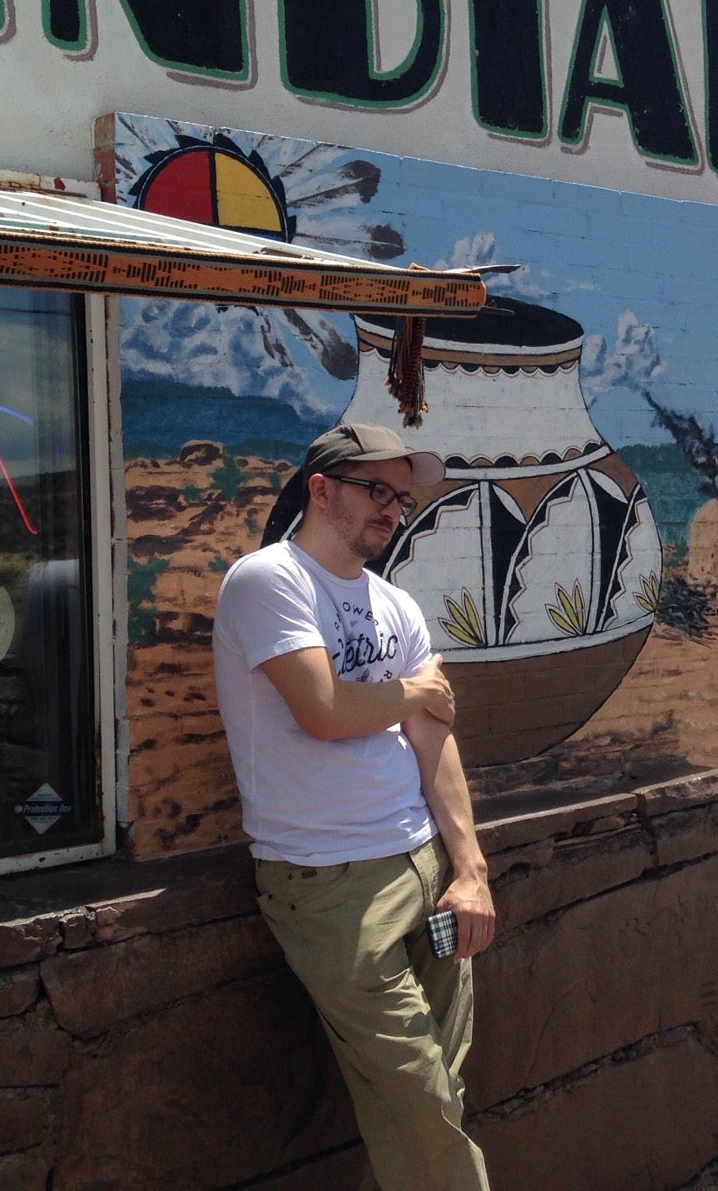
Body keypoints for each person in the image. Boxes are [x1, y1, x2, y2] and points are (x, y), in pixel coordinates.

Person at [213, 422, 495, 1191]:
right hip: (331, 883)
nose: (392, 509)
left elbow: (435, 742)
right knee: (419, 1097)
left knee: (437, 1090)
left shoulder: (395, 605)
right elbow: (325, 710)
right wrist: (410, 691)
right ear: (322, 489)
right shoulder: (267, 581)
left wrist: (469, 870)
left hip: (424, 865)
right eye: (377, 490)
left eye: (400, 497)